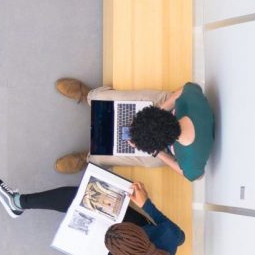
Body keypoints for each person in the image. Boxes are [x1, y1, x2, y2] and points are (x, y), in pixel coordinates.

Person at [0, 173, 185, 255]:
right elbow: (178, 235)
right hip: (125, 244)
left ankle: (18, 203)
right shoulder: (171, 235)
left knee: (76, 209)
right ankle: (17, 203)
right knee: (80, 198)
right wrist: (145, 203)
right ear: (140, 231)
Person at [52, 78, 215, 182]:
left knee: (111, 154)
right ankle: (90, 97)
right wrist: (160, 110)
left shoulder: (191, 164)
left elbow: (192, 175)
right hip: (165, 114)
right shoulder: (192, 95)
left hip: (166, 151)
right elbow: (182, 90)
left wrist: (158, 153)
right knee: (105, 101)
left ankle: (88, 158)